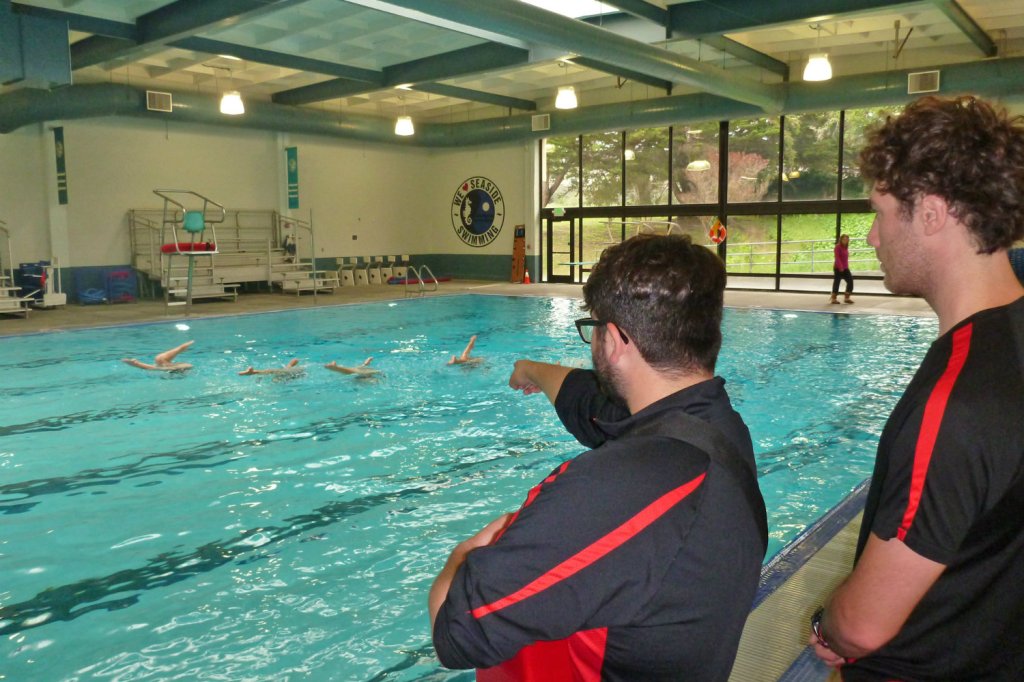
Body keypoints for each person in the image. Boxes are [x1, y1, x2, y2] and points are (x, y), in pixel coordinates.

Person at [430, 234, 768, 680]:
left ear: (612, 340)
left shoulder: (616, 491)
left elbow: (458, 632)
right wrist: (532, 371)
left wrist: (463, 556)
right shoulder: (717, 428)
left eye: (594, 329)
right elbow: (593, 406)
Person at [809, 95, 1024, 680]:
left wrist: (826, 627)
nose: (872, 237)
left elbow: (863, 627)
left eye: (880, 214)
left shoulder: (957, 400)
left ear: (930, 213)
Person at [122, 340, 194, 372]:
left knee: (159, 360)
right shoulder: (185, 366)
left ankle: (180, 349)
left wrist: (137, 364)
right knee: (159, 360)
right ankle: (180, 349)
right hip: (180, 369)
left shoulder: (166, 368)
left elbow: (152, 368)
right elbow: (154, 368)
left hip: (178, 370)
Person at [829, 233, 854, 304]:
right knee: (837, 283)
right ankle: (833, 299)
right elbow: (837, 258)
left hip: (845, 268)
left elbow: (845, 259)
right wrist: (840, 267)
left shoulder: (845, 247)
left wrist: (845, 267)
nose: (845, 241)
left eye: (847, 239)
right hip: (838, 268)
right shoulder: (837, 247)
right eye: (844, 239)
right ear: (841, 240)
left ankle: (847, 298)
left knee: (850, 281)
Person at [238, 358, 303, 376]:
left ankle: (253, 372)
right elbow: (295, 360)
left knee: (273, 372)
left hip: (294, 372)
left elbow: (295, 360)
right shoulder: (289, 370)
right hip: (292, 372)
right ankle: (253, 372)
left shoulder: (290, 370)